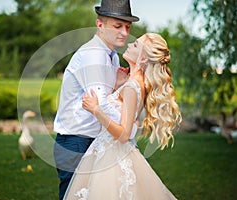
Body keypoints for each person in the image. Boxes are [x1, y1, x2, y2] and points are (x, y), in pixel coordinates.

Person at [63, 33, 182, 200]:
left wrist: (96, 110)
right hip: (108, 150)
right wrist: (118, 85)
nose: (129, 44)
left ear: (144, 59)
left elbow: (124, 134)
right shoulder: (132, 83)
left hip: (113, 154)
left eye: (135, 46)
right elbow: (129, 120)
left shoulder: (133, 86)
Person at [53, 0, 139, 199]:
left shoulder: (112, 56)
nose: (125, 33)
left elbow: (103, 98)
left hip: (94, 139)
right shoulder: (93, 55)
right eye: (117, 26)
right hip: (75, 141)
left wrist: (116, 86)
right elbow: (99, 105)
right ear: (100, 25)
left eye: (127, 27)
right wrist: (129, 126)